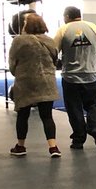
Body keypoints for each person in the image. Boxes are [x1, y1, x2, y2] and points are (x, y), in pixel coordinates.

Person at [54, 6, 96, 149]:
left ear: (67, 16)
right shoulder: (93, 27)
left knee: (74, 108)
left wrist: (58, 64)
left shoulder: (63, 29)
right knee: (93, 104)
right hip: (91, 75)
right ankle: (94, 127)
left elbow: (53, 51)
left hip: (70, 77)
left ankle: (78, 139)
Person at [8, 13, 61, 158]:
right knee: (47, 116)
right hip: (47, 82)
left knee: (23, 115)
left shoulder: (19, 41)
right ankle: (53, 147)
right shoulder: (50, 41)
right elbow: (55, 60)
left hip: (25, 82)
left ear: (26, 25)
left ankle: (20, 146)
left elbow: (12, 63)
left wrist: (18, 73)